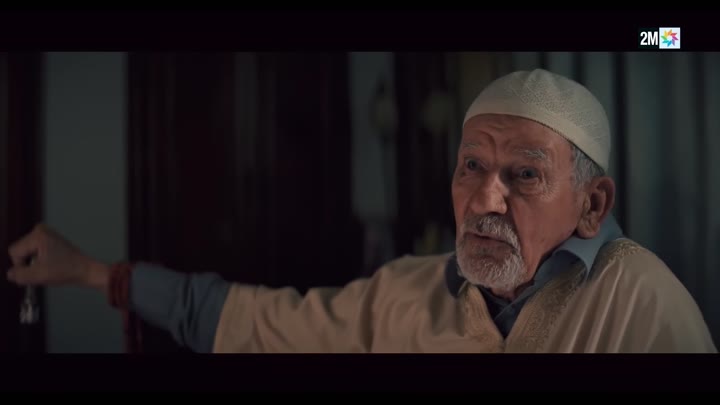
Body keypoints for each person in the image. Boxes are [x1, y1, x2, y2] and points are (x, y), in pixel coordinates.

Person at [6, 69, 717, 353]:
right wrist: (91, 272)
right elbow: (254, 321)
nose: (484, 200)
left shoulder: (641, 301)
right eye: (471, 166)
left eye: (525, 175)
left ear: (592, 204)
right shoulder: (406, 293)